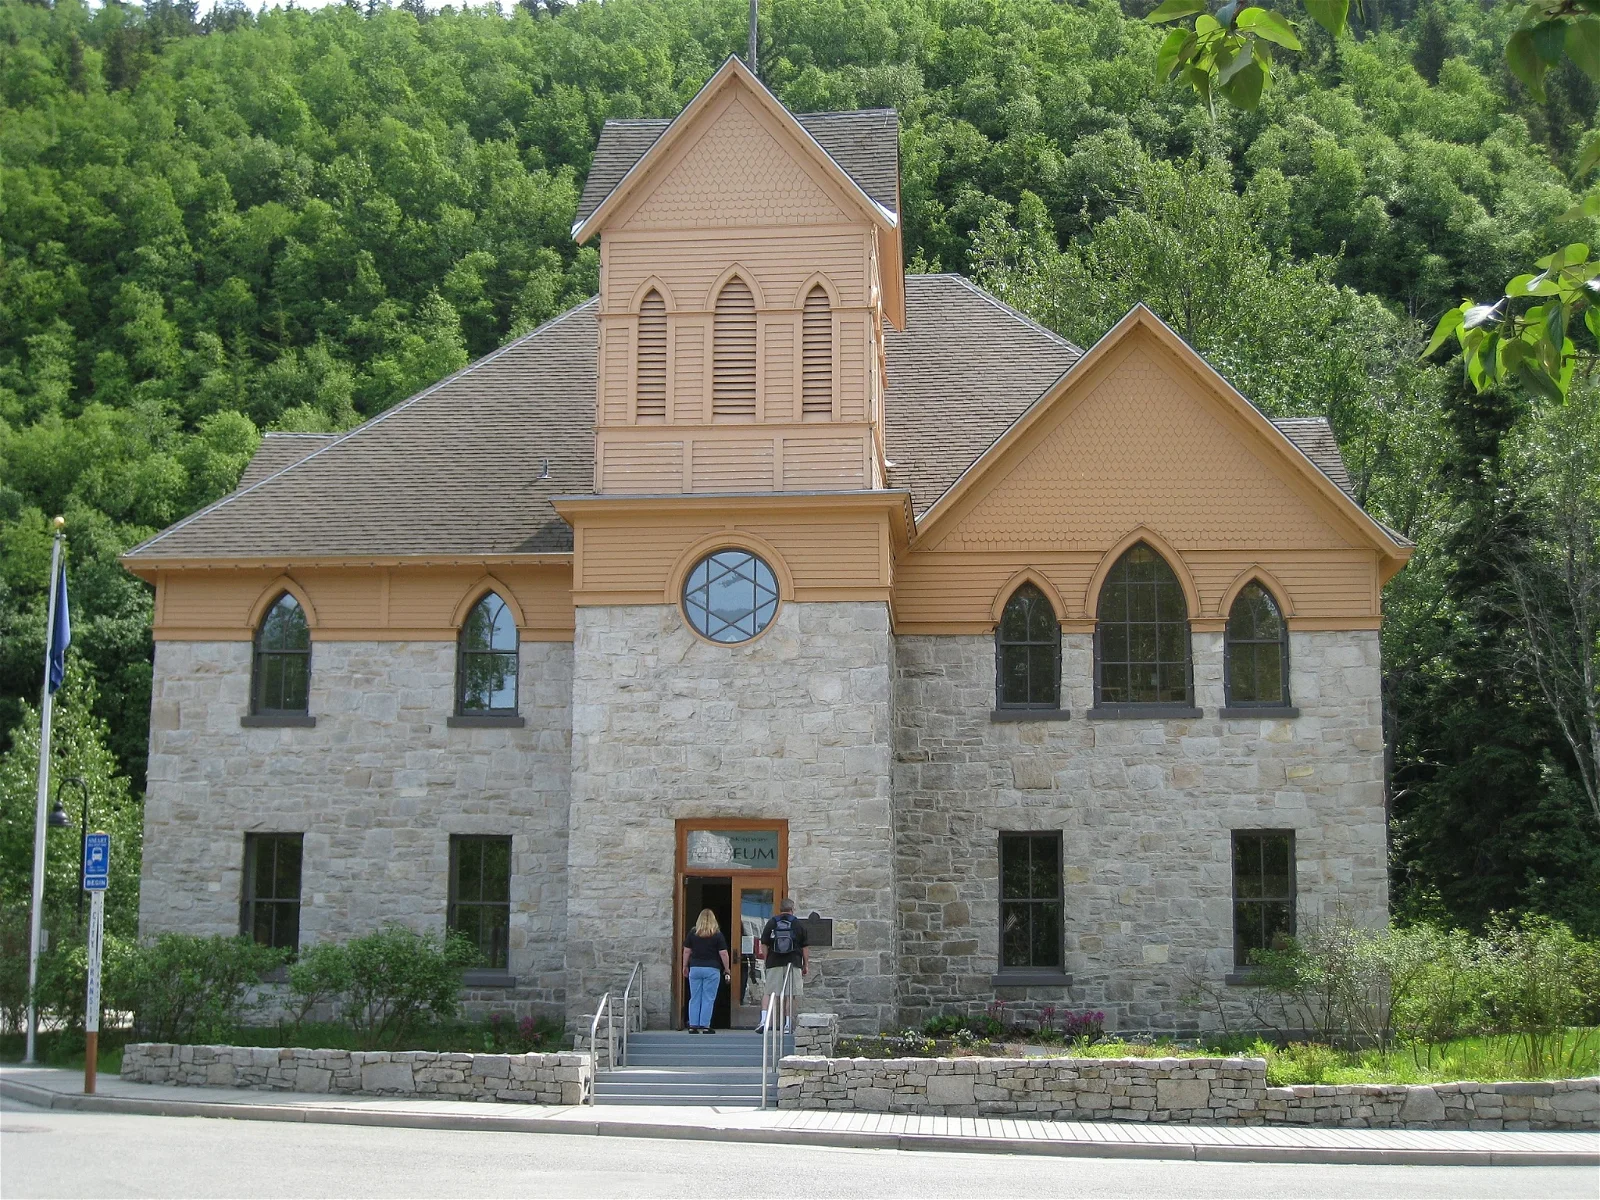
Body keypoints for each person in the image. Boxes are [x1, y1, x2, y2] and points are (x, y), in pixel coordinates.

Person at [756, 897, 808, 1033]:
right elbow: (805, 947)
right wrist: (805, 964)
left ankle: (764, 1020)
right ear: (792, 909)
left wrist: (768, 959)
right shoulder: (798, 924)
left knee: (770, 992)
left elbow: (764, 943)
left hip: (774, 962)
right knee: (791, 994)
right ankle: (787, 1024)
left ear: (780, 910)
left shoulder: (772, 923)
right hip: (793, 962)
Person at [681, 908, 730, 1034]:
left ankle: (693, 1025)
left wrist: (685, 966)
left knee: (695, 997)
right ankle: (705, 1025)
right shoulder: (717, 934)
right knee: (708, 997)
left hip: (695, 967)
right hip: (712, 969)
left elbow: (687, 950)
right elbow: (723, 953)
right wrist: (727, 969)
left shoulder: (693, 933)